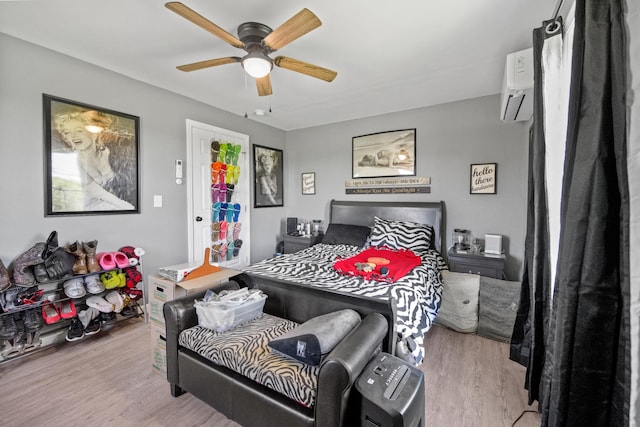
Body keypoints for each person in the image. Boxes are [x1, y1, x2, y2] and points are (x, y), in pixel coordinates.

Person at [54, 111, 134, 211]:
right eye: (67, 132)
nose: (73, 135)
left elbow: (125, 186)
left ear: (93, 133)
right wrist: (128, 207)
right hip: (91, 209)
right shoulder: (73, 162)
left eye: (79, 130)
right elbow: (98, 193)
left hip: (116, 205)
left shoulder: (108, 153)